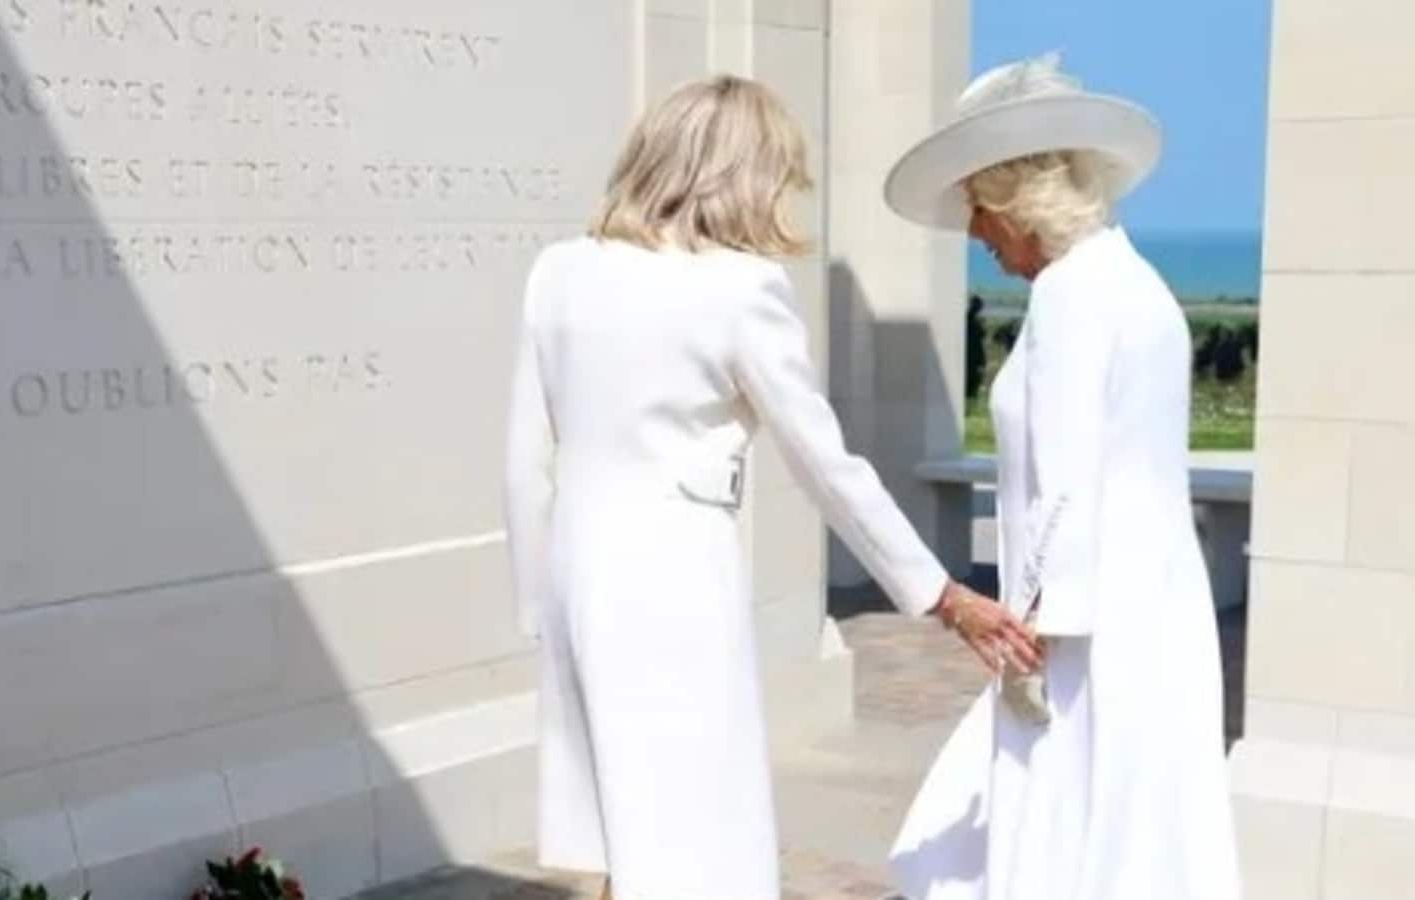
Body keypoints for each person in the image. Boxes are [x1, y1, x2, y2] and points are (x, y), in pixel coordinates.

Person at [502, 74, 1042, 900]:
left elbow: (523, 460)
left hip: (580, 570)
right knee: (693, 830)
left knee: (623, 833)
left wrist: (540, 606)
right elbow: (826, 466)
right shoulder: (738, 288)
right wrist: (943, 595)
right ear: (746, 175)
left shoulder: (559, 271)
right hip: (676, 574)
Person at [883, 54, 1240, 899]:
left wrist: (1032, 627)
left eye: (977, 209)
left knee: (1062, 829)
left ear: (1015, 199)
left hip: (1084, 636)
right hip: (1153, 609)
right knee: (1132, 834)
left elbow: (1067, 479)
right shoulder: (1138, 283)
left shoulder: (1072, 294)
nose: (975, 235)